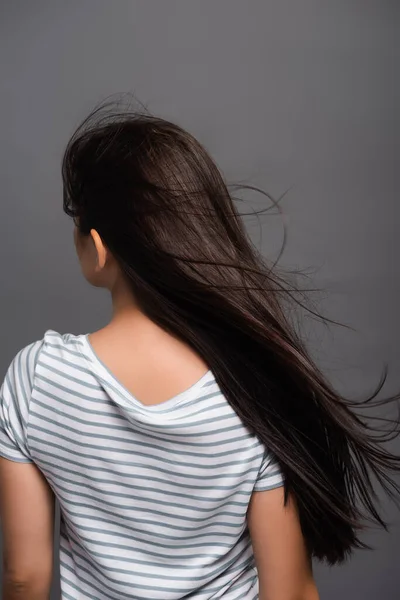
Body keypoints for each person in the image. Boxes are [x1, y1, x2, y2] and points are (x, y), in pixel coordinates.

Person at [0, 106, 399, 600]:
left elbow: (26, 578)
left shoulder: (36, 380)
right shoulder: (255, 388)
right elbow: (289, 592)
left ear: (97, 248)